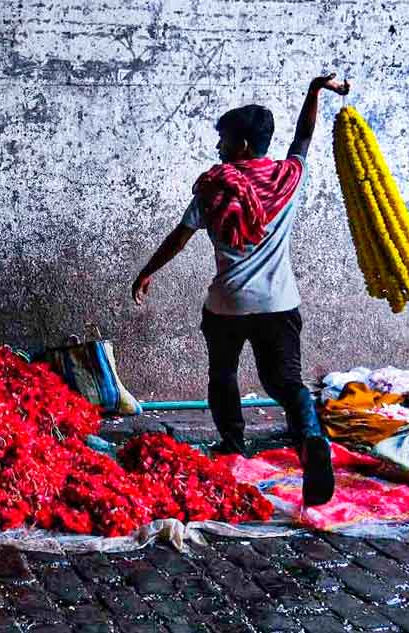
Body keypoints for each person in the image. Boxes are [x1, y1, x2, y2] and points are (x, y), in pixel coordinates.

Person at [131, 74, 350, 506]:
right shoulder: (288, 179)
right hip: (278, 303)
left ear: (243, 145)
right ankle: (310, 439)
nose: (218, 148)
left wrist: (147, 271)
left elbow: (180, 235)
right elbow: (303, 139)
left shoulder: (216, 189)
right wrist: (313, 92)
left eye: (224, 140)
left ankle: (231, 444)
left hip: (227, 304)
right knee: (286, 382)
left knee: (223, 374)